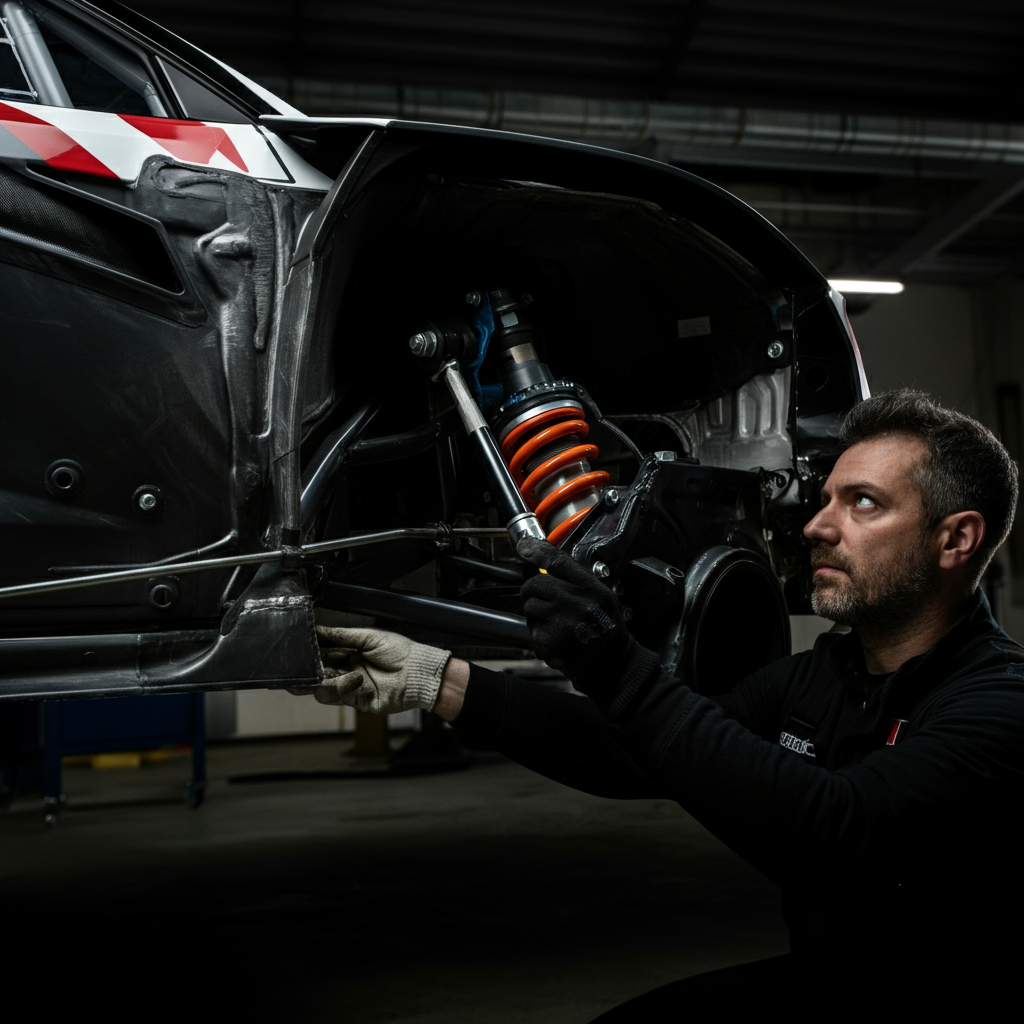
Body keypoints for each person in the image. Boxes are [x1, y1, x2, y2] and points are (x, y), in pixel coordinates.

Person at [294, 389, 1024, 1014]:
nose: (815, 526)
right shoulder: (824, 674)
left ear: (955, 539)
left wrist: (613, 660)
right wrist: (437, 680)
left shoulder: (999, 702)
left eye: (862, 503)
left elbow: (831, 833)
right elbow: (632, 753)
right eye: (826, 497)